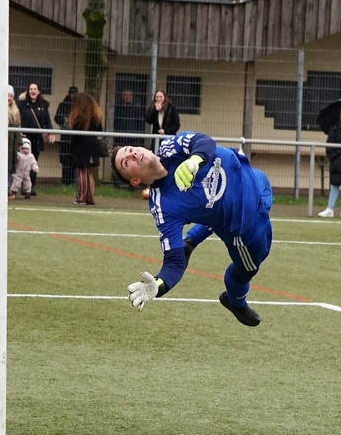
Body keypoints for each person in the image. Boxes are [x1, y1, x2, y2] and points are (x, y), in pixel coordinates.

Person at [110, 131, 273, 327]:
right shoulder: (162, 207)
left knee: (257, 190)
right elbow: (174, 262)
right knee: (248, 268)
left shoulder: (169, 147)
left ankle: (192, 239)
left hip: (253, 177)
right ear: (135, 180)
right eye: (126, 162)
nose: (132, 154)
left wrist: (194, 161)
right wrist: (158, 286)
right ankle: (235, 302)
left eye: (130, 149)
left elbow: (204, 142)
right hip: (246, 230)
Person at [68, 91, 105, 205]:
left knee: (82, 171)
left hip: (81, 146)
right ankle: (90, 197)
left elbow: (75, 135)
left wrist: (72, 147)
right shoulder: (96, 116)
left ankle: (81, 197)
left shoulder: (78, 117)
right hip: (93, 145)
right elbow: (100, 131)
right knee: (89, 172)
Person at [18, 83, 55, 193]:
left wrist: (50, 133)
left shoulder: (43, 105)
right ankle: (23, 186)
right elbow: (17, 118)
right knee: (23, 162)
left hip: (37, 138)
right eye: (31, 89)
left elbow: (47, 121)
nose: (33, 91)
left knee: (33, 161)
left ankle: (31, 186)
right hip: (25, 137)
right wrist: (19, 130)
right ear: (28, 91)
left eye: (35, 89)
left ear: (38, 91)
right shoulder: (22, 104)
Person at [113, 87, 144, 188]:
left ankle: (132, 184)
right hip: (120, 137)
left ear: (132, 96)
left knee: (133, 162)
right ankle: (117, 183)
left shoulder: (136, 109)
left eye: (129, 95)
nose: (126, 97)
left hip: (132, 138)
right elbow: (116, 122)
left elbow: (140, 123)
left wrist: (138, 135)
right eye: (124, 95)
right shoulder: (118, 108)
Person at [55, 86, 78, 184]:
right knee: (65, 159)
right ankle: (65, 181)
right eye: (71, 93)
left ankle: (73, 181)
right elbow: (57, 118)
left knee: (75, 159)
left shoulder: (79, 106)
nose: (73, 96)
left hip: (76, 137)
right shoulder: (63, 105)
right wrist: (65, 120)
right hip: (66, 136)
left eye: (74, 94)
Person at [7, 85, 22, 185]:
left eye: (11, 96)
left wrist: (19, 142)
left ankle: (7, 185)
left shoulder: (16, 111)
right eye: (7, 95)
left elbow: (18, 127)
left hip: (13, 144)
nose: (9, 98)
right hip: (4, 142)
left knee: (11, 165)